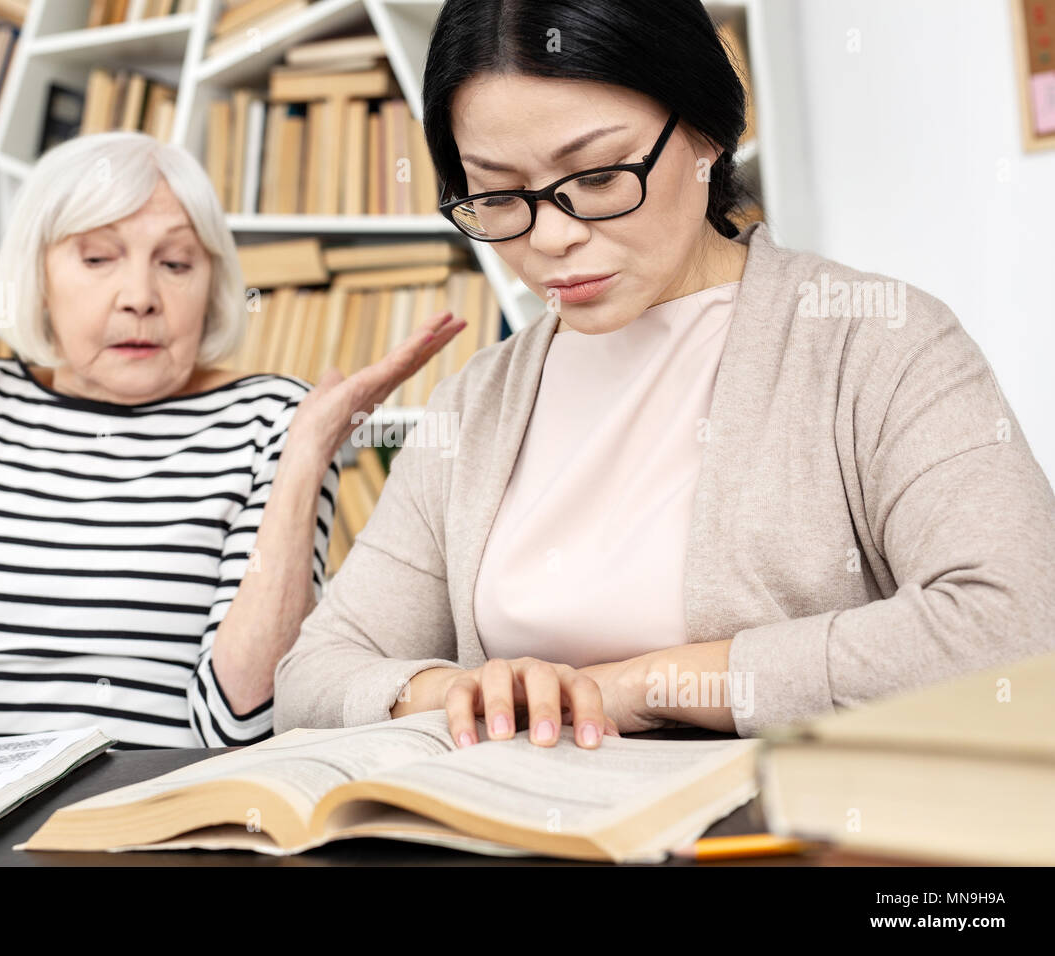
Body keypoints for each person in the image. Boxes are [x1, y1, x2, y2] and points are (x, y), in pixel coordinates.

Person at [273, 0, 1055, 749]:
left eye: (600, 177)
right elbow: (313, 675)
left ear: (707, 133)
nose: (550, 236)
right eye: (500, 194)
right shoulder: (480, 399)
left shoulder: (875, 339)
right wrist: (463, 696)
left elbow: (1015, 625)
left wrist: (637, 690)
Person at [0, 131, 465, 794]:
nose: (140, 295)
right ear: (39, 275)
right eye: (98, 258)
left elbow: (239, 723)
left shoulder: (273, 420)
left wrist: (307, 455)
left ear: (212, 287)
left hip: (149, 812)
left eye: (175, 264)